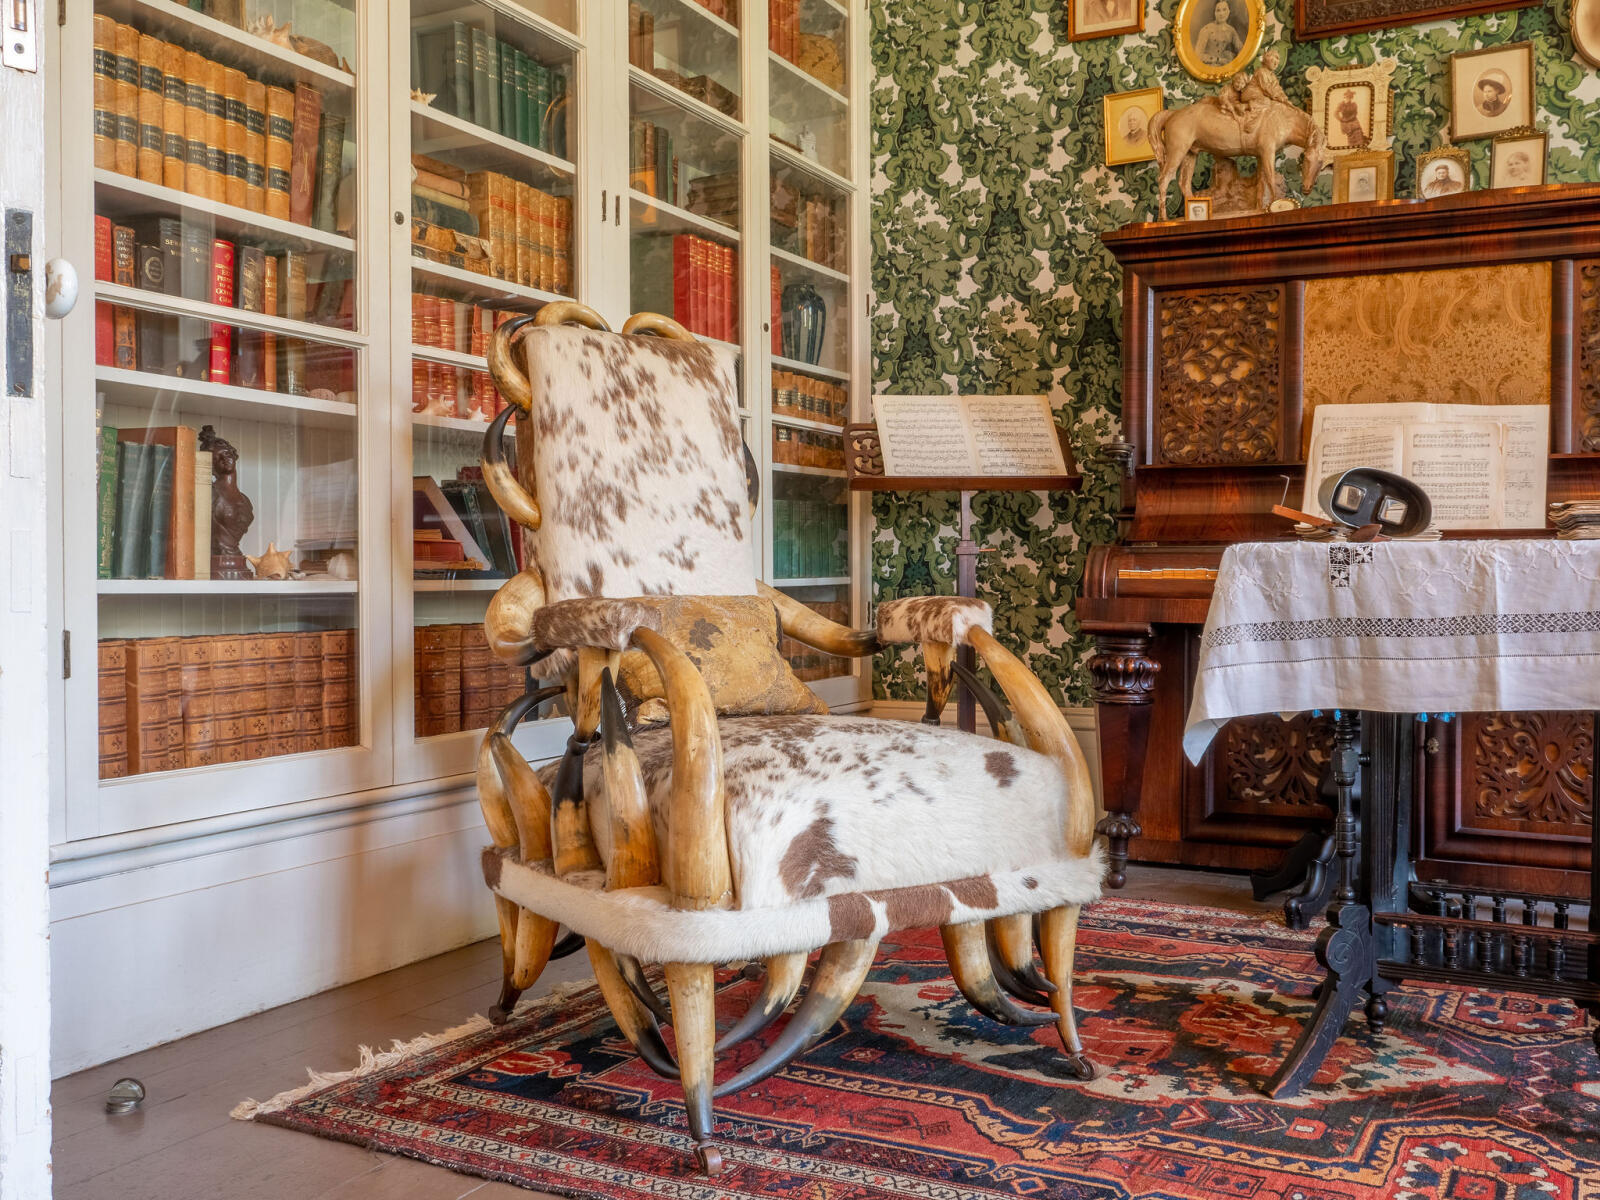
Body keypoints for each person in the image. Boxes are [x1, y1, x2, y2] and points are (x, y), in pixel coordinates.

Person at [1194, 0, 1242, 67]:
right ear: (1214, 13)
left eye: (1224, 9)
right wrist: (1219, 60)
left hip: (1224, 67)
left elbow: (1241, 49)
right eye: (1218, 10)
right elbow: (1197, 55)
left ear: (1229, 11)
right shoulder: (1206, 29)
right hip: (1207, 67)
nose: (1221, 14)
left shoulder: (1231, 30)